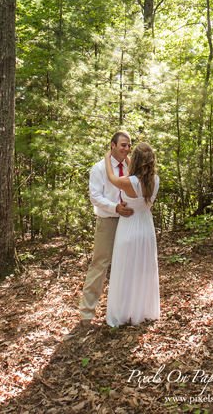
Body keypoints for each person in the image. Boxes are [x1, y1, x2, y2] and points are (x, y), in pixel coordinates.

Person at [79, 131, 134, 328]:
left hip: (130, 221)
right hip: (108, 221)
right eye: (123, 145)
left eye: (129, 145)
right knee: (100, 264)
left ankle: (125, 310)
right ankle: (86, 314)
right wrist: (115, 207)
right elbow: (95, 197)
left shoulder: (131, 166)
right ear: (112, 145)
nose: (126, 149)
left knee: (128, 265)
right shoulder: (100, 168)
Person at [104, 142, 160, 327]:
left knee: (126, 269)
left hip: (129, 228)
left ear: (135, 160)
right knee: (144, 269)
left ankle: (124, 312)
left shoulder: (128, 182)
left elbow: (112, 177)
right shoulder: (155, 180)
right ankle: (142, 311)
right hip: (146, 228)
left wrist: (107, 156)